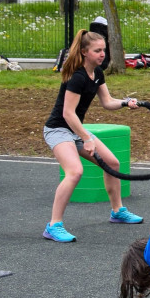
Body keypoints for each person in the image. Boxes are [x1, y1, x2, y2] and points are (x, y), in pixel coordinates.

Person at [42, 28, 143, 242]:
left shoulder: (97, 73)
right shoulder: (77, 77)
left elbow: (107, 102)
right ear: (85, 52)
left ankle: (117, 211)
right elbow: (67, 114)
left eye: (103, 50)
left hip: (75, 128)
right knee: (75, 171)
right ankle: (53, 225)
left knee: (112, 163)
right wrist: (86, 138)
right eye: (97, 50)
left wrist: (126, 102)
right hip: (59, 130)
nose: (102, 54)